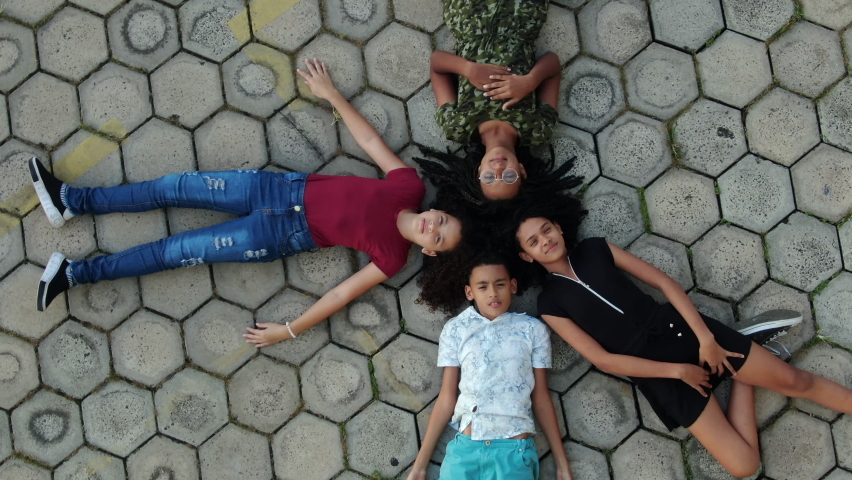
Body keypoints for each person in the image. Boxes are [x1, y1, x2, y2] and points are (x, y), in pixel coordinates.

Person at [32, 59, 466, 348]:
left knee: (178, 251)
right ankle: (70, 200)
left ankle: (74, 274)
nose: (435, 227)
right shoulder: (408, 186)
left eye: (440, 239)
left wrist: (289, 330)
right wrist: (331, 94)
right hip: (273, 190)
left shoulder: (392, 257)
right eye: (442, 220)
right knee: (172, 187)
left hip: (276, 235)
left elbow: (340, 293)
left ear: (430, 252)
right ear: (435, 209)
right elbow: (369, 140)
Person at [508, 200, 852, 478]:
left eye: (547, 230)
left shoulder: (596, 249)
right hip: (659, 376)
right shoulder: (548, 302)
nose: (545, 241)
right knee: (744, 466)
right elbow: (603, 360)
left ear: (559, 227)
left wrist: (707, 339)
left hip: (682, 332)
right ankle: (748, 356)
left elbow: (665, 284)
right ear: (527, 256)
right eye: (534, 242)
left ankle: (740, 353)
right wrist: (678, 372)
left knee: (794, 380)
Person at [408, 252, 572, 480]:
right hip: (465, 453)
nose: (493, 293)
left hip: (514, 454)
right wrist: (420, 466)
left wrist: (561, 463)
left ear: (513, 286)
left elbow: (541, 397)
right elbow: (446, 397)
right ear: (470, 292)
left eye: (500, 284)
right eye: (483, 286)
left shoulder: (532, 330)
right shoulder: (456, 329)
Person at [427, 0, 562, 200]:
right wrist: (531, 81)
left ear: (478, 171)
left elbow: (436, 63)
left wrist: (468, 69)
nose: (498, 168)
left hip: (467, 13)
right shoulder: (537, 130)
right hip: (522, 14)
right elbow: (554, 65)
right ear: (522, 171)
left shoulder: (457, 126)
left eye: (489, 177)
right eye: (509, 176)